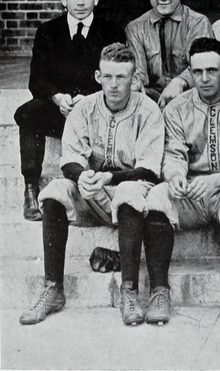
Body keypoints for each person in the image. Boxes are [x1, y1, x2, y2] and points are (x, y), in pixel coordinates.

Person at [19, 43, 164, 326]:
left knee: (129, 192)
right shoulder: (84, 107)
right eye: (107, 76)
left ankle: (129, 292)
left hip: (133, 195)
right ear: (97, 76)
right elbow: (70, 157)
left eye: (121, 77)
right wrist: (81, 175)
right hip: (93, 192)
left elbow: (149, 168)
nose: (113, 84)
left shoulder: (148, 110)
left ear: (134, 79)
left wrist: (111, 178)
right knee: (55, 191)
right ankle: (53, 288)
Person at [143, 38, 220, 326]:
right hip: (192, 191)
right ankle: (159, 291)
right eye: (197, 72)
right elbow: (172, 154)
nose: (205, 79)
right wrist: (175, 178)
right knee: (158, 196)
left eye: (212, 70)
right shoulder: (177, 108)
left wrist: (215, 182)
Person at [15, 0, 125, 221]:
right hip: (61, 110)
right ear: (63, 0)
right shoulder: (48, 31)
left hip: (97, 110)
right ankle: (31, 187)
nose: (80, 1)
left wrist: (91, 99)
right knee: (27, 113)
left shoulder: (111, 31)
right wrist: (57, 98)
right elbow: (37, 79)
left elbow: (117, 75)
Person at [125, 0, 213, 106]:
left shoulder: (198, 23)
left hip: (191, 100)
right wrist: (135, 83)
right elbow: (139, 72)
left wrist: (180, 81)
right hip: (151, 102)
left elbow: (203, 66)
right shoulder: (135, 28)